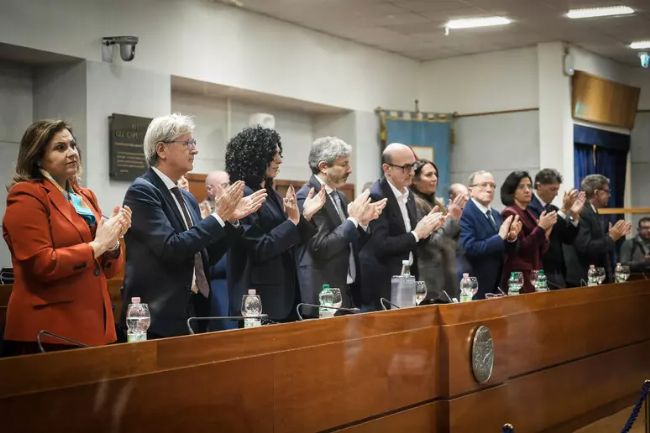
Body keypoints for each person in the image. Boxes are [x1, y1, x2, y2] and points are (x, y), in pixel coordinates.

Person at [122, 114, 266, 338]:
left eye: (194, 142)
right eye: (187, 143)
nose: (195, 150)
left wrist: (230, 220)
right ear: (162, 149)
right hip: (158, 315)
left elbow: (203, 254)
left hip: (194, 308)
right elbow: (171, 248)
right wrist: (218, 216)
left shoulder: (187, 198)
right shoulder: (143, 191)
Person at [2, 120, 131, 355]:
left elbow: (108, 271)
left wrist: (112, 240)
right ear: (38, 158)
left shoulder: (85, 196)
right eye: (60, 148)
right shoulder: (27, 195)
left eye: (72, 145)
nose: (72, 152)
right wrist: (97, 245)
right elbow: (42, 264)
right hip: (49, 330)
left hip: (95, 325)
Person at [226, 126, 325, 322]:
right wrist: (293, 221)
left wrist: (304, 216)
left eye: (280, 154)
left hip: (283, 294)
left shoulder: (271, 194)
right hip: (258, 299)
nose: (279, 160)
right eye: (274, 155)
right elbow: (260, 248)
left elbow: (290, 240)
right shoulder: (243, 195)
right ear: (256, 157)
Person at [296, 137, 386, 313]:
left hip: (346, 290)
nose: (350, 169)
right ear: (324, 167)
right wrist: (353, 220)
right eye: (344, 164)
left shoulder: (340, 196)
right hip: (324, 294)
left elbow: (350, 244)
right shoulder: (307, 196)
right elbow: (322, 247)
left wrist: (363, 223)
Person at [359, 143, 443, 310]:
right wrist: (416, 234)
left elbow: (412, 243)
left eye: (413, 166)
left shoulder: (408, 194)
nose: (411, 172)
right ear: (387, 169)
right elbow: (380, 245)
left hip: (408, 276)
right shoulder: (375, 196)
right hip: (383, 282)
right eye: (405, 167)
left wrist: (427, 230)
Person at [410, 159, 467, 301]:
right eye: (428, 175)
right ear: (414, 180)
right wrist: (451, 220)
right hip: (429, 278)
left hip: (447, 271)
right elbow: (430, 244)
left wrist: (455, 219)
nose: (434, 178)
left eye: (435, 174)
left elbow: (452, 241)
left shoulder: (437, 204)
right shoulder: (414, 204)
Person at [459, 170, 522, 298]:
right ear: (471, 190)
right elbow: (469, 248)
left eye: (492, 186)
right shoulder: (464, 213)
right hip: (474, 286)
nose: (489, 189)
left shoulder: (495, 214)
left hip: (496, 284)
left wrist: (511, 238)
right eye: (484, 185)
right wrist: (499, 237)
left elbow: (504, 250)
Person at [500, 171, 556, 293]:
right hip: (519, 276)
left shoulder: (528, 213)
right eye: (521, 187)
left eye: (529, 186)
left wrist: (546, 234)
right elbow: (521, 248)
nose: (527, 190)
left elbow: (541, 250)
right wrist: (541, 228)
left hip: (535, 272)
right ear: (512, 191)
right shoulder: (509, 213)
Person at [528, 168, 585, 289]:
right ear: (539, 186)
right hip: (540, 268)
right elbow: (548, 234)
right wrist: (564, 210)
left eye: (557, 189)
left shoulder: (553, 208)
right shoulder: (529, 208)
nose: (556, 194)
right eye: (552, 189)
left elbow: (567, 238)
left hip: (558, 268)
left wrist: (574, 216)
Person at [573, 174, 630, 284]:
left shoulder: (593, 212)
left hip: (596, 276)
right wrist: (611, 238)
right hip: (585, 277)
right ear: (596, 193)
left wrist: (611, 236)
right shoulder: (583, 212)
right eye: (607, 191)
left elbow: (596, 241)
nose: (610, 195)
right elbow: (585, 247)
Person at [201, 171, 234, 329]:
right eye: (225, 185)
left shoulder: (236, 209)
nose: (230, 189)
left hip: (236, 278)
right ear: (210, 189)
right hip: (216, 280)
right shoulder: (200, 212)